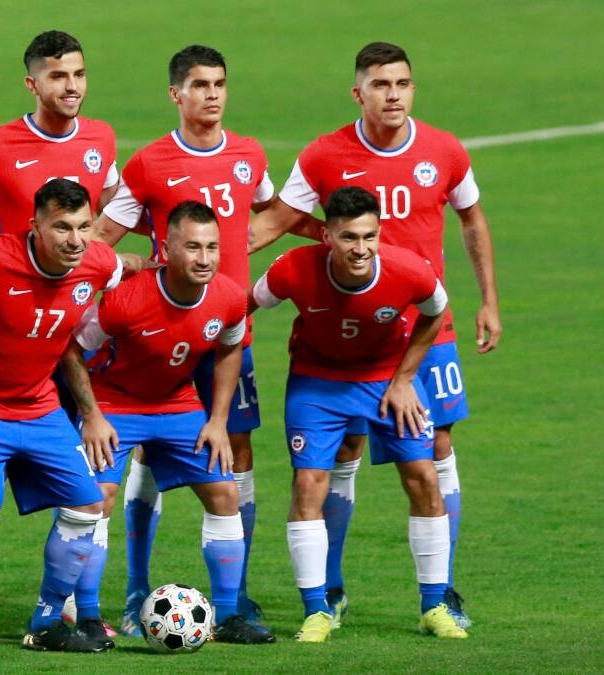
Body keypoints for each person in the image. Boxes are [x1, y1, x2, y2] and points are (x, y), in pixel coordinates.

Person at [249, 42, 501, 628]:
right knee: (341, 451)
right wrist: (203, 265)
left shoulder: (443, 150)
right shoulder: (324, 155)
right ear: (358, 93)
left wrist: (489, 299)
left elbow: (473, 220)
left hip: (424, 331)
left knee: (434, 450)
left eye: (403, 84)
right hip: (343, 333)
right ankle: (329, 590)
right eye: (381, 85)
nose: (393, 95)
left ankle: (444, 592)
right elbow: (275, 222)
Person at [94, 44, 274, 634]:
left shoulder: (249, 155)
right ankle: (134, 588)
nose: (213, 95)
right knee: (146, 448)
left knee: (233, 454)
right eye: (200, 85)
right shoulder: (148, 164)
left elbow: (274, 211)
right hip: (159, 334)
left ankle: (236, 598)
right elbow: (101, 235)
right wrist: (131, 268)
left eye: (220, 83)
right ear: (177, 94)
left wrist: (236, 253)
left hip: (224, 331)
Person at [249, 186, 467, 643]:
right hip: (317, 383)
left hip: (387, 380)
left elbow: (436, 313)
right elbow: (243, 306)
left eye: (369, 237)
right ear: (326, 234)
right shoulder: (293, 269)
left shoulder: (408, 271)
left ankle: (434, 606)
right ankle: (317, 610)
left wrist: (406, 378)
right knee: (309, 482)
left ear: (380, 233)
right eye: (349, 237)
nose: (360, 249)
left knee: (423, 476)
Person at [62, 201, 276, 645]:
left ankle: (230, 614)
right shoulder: (126, 300)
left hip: (176, 403)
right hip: (115, 402)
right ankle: (86, 616)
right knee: (96, 498)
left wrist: (218, 420)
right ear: (167, 248)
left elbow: (231, 347)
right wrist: (92, 415)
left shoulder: (228, 297)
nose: (204, 258)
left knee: (224, 491)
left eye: (212, 248)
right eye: (193, 247)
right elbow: (73, 350)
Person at [0, 179, 124, 660]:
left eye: (84, 227)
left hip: (40, 406)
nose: (75, 240)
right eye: (61, 227)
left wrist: (92, 411)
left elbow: (127, 270)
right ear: (34, 226)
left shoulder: (98, 264)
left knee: (87, 508)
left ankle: (45, 621)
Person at [0, 30, 119, 243]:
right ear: (32, 84)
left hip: (79, 277)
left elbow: (117, 211)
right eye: (58, 76)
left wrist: (89, 256)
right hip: (10, 276)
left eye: (79, 74)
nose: (72, 87)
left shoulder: (101, 137)